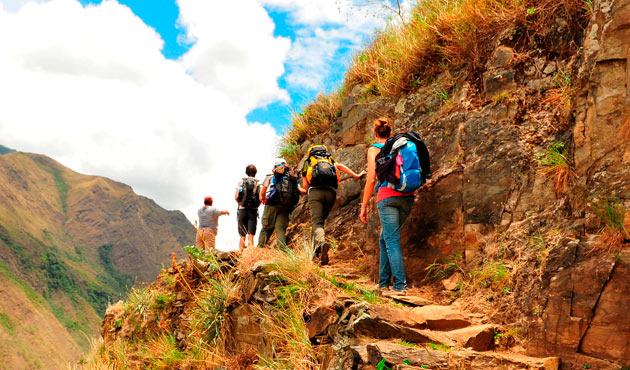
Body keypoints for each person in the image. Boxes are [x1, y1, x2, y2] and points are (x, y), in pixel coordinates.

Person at [360, 118, 414, 296]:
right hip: (407, 195)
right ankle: (383, 283)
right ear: (390, 133)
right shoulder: (400, 145)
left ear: (375, 133)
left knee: (391, 240)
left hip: (387, 197)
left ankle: (399, 286)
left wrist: (364, 206)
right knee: (385, 238)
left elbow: (371, 180)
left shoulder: (374, 149)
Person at [299, 145, 365, 265]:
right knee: (320, 222)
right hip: (331, 193)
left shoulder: (308, 162)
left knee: (317, 222)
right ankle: (315, 254)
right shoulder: (329, 159)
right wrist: (356, 175)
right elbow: (340, 166)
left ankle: (321, 244)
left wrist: (309, 191)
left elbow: (305, 185)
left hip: (315, 192)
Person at [258, 158, 295, 248]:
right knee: (280, 229)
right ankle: (282, 251)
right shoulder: (291, 175)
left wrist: (262, 199)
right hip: (286, 205)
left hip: (271, 204)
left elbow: (263, 192)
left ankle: (260, 248)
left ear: (275, 166)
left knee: (266, 227)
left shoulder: (271, 175)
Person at [235, 164, 261, 251]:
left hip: (242, 210)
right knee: (251, 236)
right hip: (253, 211)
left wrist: (241, 204)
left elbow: (236, 197)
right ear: (255, 173)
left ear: (246, 172)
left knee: (242, 236)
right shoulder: (258, 184)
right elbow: (261, 198)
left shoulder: (241, 183)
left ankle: (240, 255)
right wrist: (256, 205)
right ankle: (249, 255)